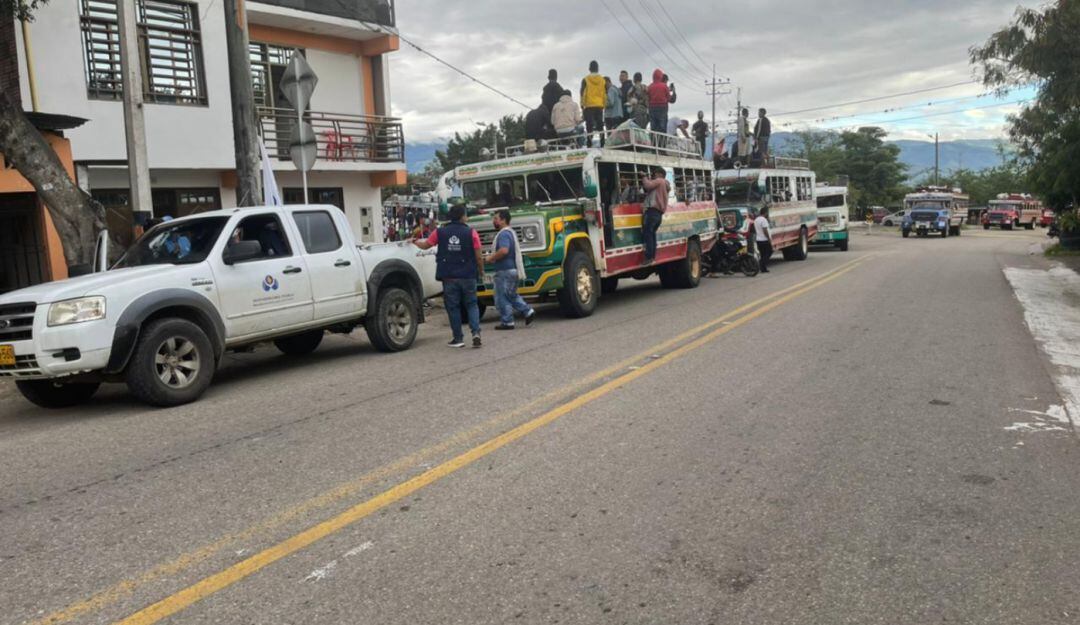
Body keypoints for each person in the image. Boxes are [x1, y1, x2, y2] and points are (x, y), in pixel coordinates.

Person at [412, 204, 484, 348]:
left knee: (453, 307)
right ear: (463, 216)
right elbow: (478, 256)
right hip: (468, 275)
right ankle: (476, 333)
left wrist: (414, 242)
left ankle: (458, 339)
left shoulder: (440, 232)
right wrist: (481, 270)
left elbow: (426, 245)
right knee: (471, 305)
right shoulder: (472, 232)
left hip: (449, 276)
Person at [483, 209, 536, 330]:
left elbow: (504, 250)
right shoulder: (510, 233)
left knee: (502, 296)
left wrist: (491, 257)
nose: (494, 221)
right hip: (512, 270)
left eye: (496, 218)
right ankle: (528, 311)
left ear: (503, 220)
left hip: (504, 271)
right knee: (510, 295)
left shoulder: (503, 234)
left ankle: (507, 321)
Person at [640, 167, 669, 264]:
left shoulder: (659, 181)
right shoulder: (665, 184)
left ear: (660, 174)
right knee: (652, 234)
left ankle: (649, 257)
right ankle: (652, 256)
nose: (654, 176)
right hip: (659, 214)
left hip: (652, 212)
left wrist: (644, 177)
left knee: (648, 234)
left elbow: (647, 186)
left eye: (655, 174)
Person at [580, 60, 606, 147]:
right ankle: (602, 143)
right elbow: (604, 93)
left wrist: (582, 105)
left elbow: (582, 93)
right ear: (598, 69)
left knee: (589, 126)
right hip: (599, 105)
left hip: (589, 105)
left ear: (589, 69)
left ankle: (589, 143)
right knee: (600, 125)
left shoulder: (585, 79)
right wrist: (604, 104)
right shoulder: (602, 80)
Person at [754, 206, 773, 273]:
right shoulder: (764, 220)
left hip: (758, 239)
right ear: (765, 212)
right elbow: (765, 230)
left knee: (762, 254)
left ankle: (763, 269)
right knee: (769, 252)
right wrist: (769, 239)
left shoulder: (756, 220)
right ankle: (761, 263)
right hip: (764, 240)